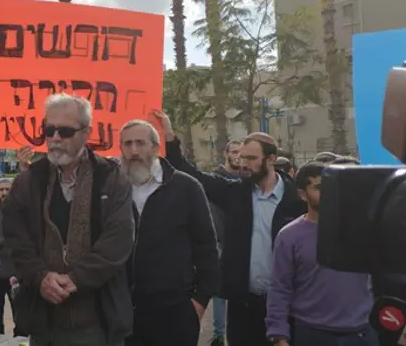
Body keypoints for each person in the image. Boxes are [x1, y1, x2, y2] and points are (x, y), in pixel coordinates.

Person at [154, 110, 306, 346]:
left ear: (271, 159)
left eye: (251, 158)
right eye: (241, 157)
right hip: (243, 306)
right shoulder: (235, 193)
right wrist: (169, 135)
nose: (243, 164)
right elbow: (189, 173)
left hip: (288, 307)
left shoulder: (297, 200)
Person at [1, 94, 135, 346]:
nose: (54, 139)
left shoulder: (111, 178)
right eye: (49, 130)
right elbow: (15, 237)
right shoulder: (29, 181)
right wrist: (40, 278)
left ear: (86, 132)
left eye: (65, 131)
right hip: (44, 322)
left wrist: (76, 280)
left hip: (98, 322)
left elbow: (119, 240)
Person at [119, 119, 220, 346]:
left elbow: (207, 247)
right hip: (123, 313)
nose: (133, 151)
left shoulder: (185, 187)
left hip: (175, 313)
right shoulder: (113, 188)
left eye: (140, 143)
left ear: (155, 147)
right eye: (127, 144)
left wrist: (199, 301)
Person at [266, 161, 378, 346]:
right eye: (319, 187)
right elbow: (280, 288)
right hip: (312, 334)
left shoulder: (362, 230)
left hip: (362, 332)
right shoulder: (290, 236)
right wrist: (279, 335)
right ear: (303, 194)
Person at [209, 140, 242, 346]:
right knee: (220, 291)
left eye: (242, 152)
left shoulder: (248, 180)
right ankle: (219, 334)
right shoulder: (215, 180)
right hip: (221, 241)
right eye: (235, 152)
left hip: (242, 241)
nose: (238, 156)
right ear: (226, 154)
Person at [0, 177, 25, 337]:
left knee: (20, 314)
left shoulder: (22, 215)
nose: (4, 193)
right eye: (1, 190)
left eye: (8, 189)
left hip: (17, 273)